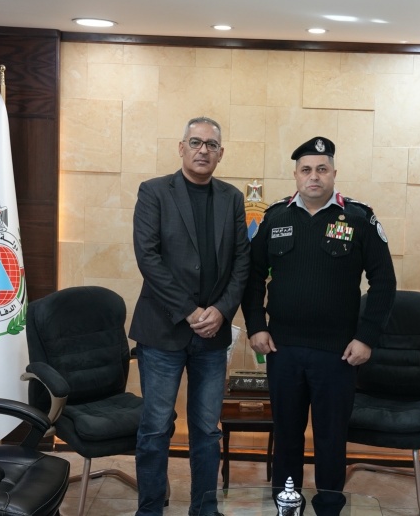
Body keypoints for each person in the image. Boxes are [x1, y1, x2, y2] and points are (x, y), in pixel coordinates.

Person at [241, 136, 396, 515]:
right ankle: (287, 503)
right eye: (306, 169)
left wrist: (366, 337)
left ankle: (329, 505)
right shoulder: (274, 218)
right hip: (283, 350)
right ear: (296, 175)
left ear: (334, 174)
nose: (314, 176)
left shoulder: (358, 218)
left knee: (330, 437)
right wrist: (256, 326)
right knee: (287, 435)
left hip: (338, 353)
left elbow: (384, 282)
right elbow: (252, 276)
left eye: (322, 169)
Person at [130, 116, 250, 516]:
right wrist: (189, 311)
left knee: (206, 430)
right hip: (162, 331)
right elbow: (148, 257)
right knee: (155, 428)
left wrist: (221, 310)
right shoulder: (154, 192)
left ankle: (204, 508)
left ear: (221, 153)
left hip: (212, 335)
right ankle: (150, 510)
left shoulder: (232, 198)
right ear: (181, 148)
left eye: (211, 145)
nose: (203, 150)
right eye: (196, 142)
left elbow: (242, 263)